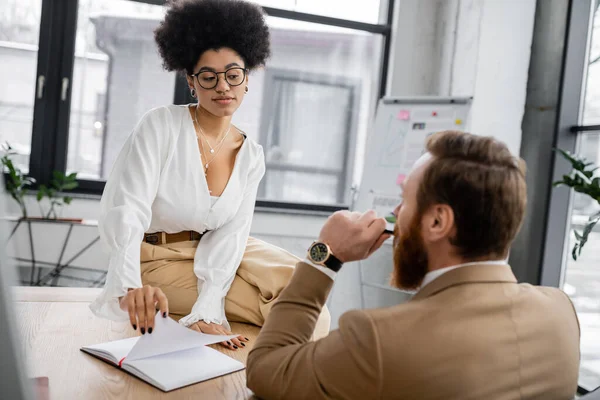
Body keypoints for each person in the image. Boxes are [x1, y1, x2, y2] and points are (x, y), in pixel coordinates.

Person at [246, 130, 581, 399]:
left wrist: (325, 254)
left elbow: (266, 370)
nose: (395, 216)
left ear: (437, 221)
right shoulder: (560, 312)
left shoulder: (378, 339)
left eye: (404, 201)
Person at [90, 0, 330, 350]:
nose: (223, 86)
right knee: (290, 314)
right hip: (156, 257)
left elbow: (231, 233)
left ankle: (279, 371)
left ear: (247, 78)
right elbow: (128, 210)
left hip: (220, 249)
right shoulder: (160, 126)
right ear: (191, 81)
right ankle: (265, 372)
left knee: (308, 292)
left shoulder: (252, 155)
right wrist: (130, 286)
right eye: (208, 76)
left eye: (233, 74)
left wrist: (209, 302)